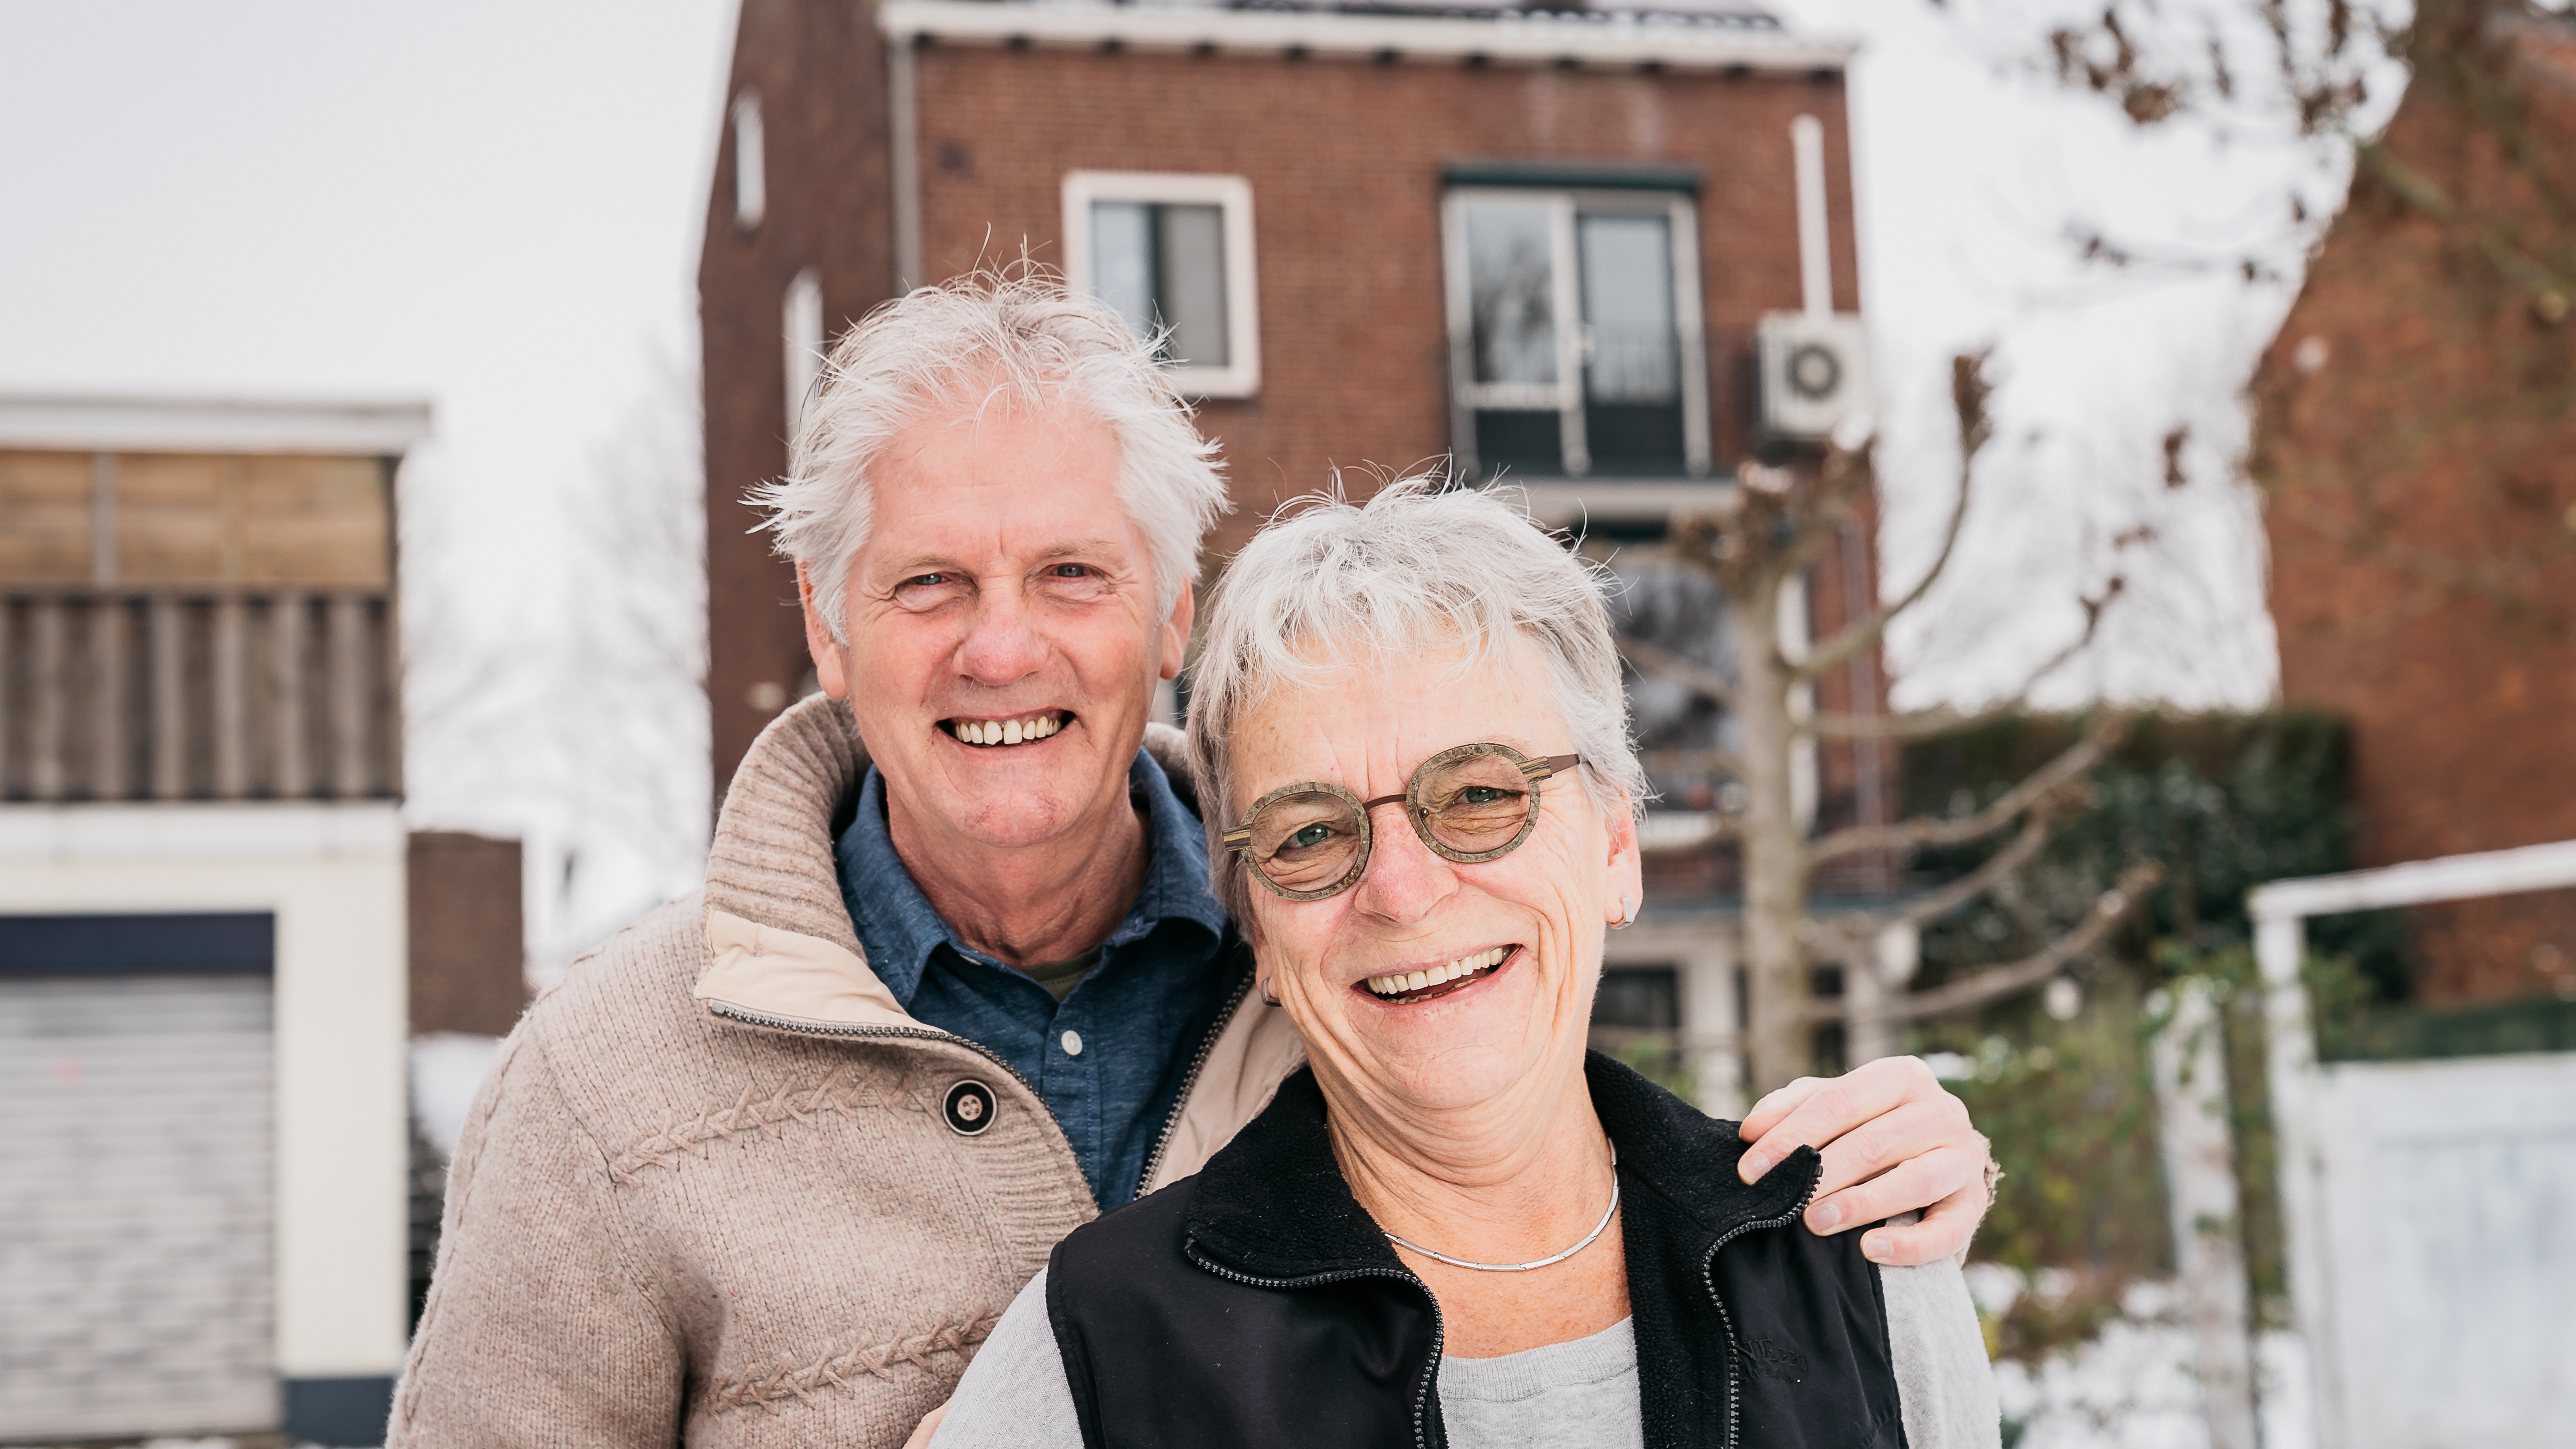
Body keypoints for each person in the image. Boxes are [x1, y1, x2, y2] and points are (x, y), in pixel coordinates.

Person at [391, 276, 1994, 1448]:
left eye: (1072, 572)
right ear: (827, 625)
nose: (1001, 646)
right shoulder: (606, 1086)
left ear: (1170, 612)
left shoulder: (1345, 940)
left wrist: (1886, 1173)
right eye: (930, 583)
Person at [930, 479, 1998, 1449]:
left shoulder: (1854, 1269)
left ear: (1615, 846)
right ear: (1255, 926)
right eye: (1309, 832)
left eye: (1482, 794)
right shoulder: (1101, 1350)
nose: (1401, 887)